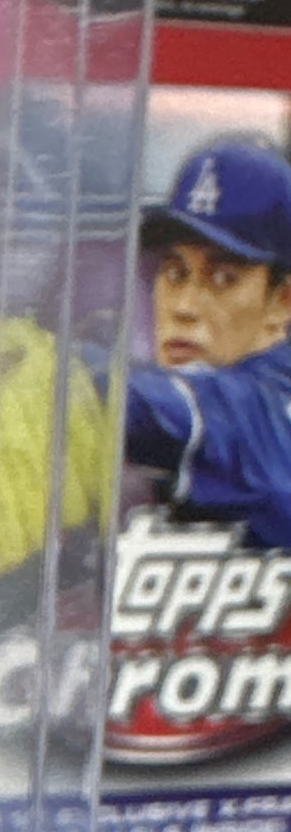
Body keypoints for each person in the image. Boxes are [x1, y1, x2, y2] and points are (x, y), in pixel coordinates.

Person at [123, 141, 291, 550]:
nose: (184, 307)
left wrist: (71, 383)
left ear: (282, 302)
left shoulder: (266, 401)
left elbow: (154, 409)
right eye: (175, 273)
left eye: (222, 279)